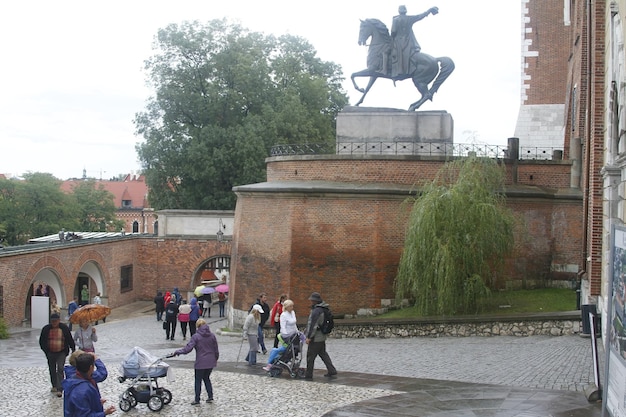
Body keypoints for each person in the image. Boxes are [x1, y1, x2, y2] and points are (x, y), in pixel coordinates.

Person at [173, 319, 219, 405]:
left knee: (198, 380)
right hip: (211, 361)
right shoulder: (212, 336)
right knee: (206, 378)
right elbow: (216, 350)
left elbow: (188, 349)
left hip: (201, 362)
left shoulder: (196, 336)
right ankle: (210, 396)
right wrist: (215, 359)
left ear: (197, 326)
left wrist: (178, 352)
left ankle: (197, 399)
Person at [390, 5, 439, 78]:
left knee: (391, 53)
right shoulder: (409, 18)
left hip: (398, 42)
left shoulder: (396, 19)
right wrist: (429, 11)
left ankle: (398, 71)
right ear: (405, 11)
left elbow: (393, 31)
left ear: (399, 11)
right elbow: (420, 16)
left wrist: (392, 37)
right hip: (409, 42)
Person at [39, 313, 76, 397]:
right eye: (52, 321)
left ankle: (60, 388)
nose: (54, 323)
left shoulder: (64, 328)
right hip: (50, 352)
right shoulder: (46, 329)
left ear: (59, 320)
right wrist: (46, 351)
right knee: (52, 369)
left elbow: (69, 339)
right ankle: (54, 385)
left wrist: (73, 349)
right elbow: (42, 341)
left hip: (61, 352)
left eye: (56, 321)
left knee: (60, 368)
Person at [304, 292, 337, 380]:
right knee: (323, 354)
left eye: (311, 300)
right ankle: (332, 370)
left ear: (314, 301)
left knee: (310, 357)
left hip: (316, 338)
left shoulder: (316, 311)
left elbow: (313, 325)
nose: (310, 301)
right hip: (322, 336)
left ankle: (308, 374)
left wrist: (308, 337)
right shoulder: (324, 308)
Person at [263, 299, 297, 371]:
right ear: (287, 307)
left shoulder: (292, 313)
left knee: (283, 350)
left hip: (293, 335)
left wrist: (297, 332)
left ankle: (272, 362)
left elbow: (294, 324)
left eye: (292, 306)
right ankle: (270, 363)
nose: (292, 308)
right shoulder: (284, 315)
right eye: (290, 306)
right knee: (278, 350)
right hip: (286, 335)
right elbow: (283, 327)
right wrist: (286, 336)